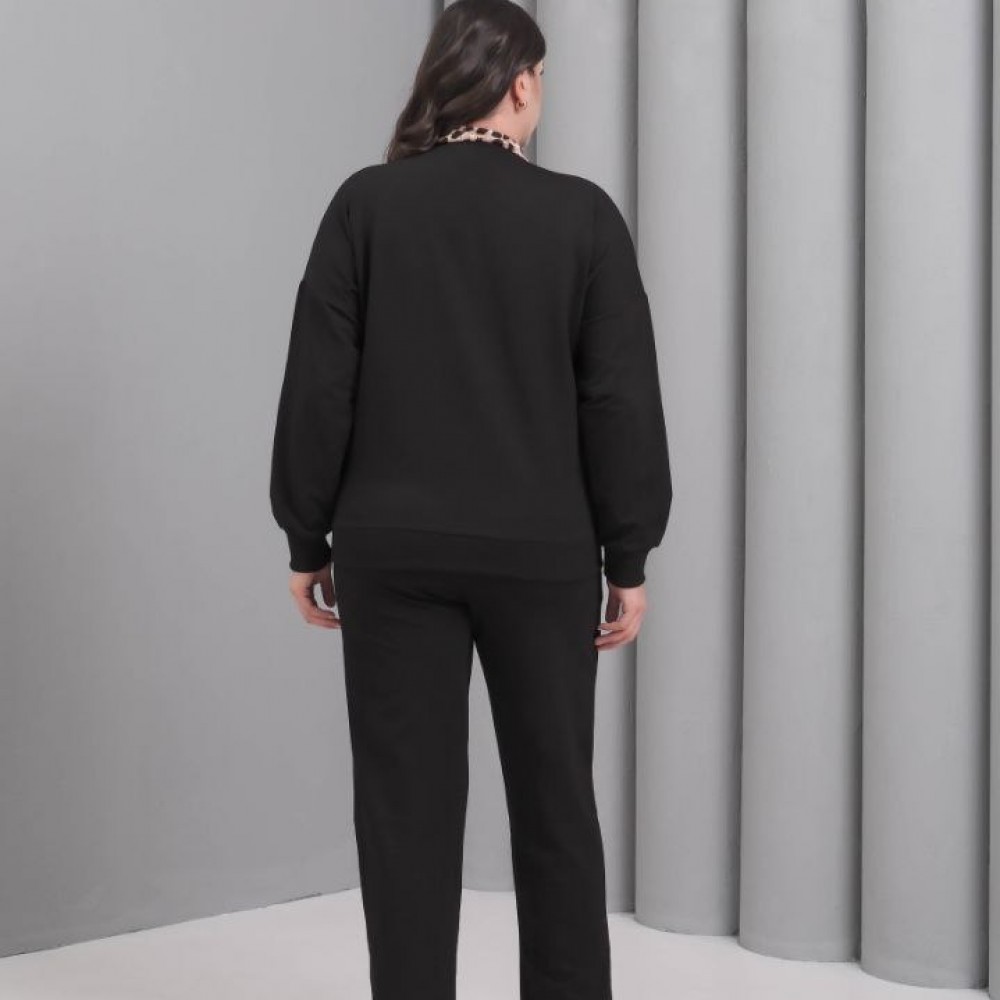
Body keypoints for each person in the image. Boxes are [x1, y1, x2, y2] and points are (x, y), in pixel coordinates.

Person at [268, 1, 672, 996]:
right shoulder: (581, 217)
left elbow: (320, 385)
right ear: (521, 82)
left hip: (392, 553)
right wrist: (627, 555)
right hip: (542, 555)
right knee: (556, 810)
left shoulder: (365, 205)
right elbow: (617, 399)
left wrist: (305, 536)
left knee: (403, 816)